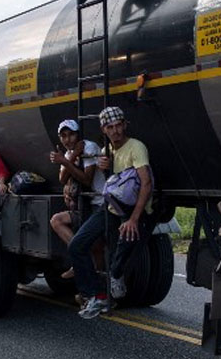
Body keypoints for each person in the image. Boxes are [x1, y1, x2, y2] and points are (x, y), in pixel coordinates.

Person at [72, 106, 154, 319]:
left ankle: (116, 276)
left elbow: (146, 183)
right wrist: (103, 167)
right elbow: (110, 184)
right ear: (104, 129)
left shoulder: (136, 147)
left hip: (132, 210)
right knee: (77, 244)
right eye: (111, 127)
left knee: (123, 244)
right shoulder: (107, 151)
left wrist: (134, 219)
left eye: (119, 126)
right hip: (111, 207)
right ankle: (95, 295)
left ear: (125, 125)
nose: (116, 131)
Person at [48, 119, 104, 279]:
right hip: (83, 204)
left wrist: (66, 160)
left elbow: (87, 179)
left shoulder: (89, 147)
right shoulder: (68, 153)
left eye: (71, 135)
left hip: (98, 202)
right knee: (56, 221)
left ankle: (98, 283)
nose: (67, 140)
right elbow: (62, 179)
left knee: (96, 245)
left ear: (78, 135)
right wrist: (71, 157)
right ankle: (81, 257)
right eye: (63, 136)